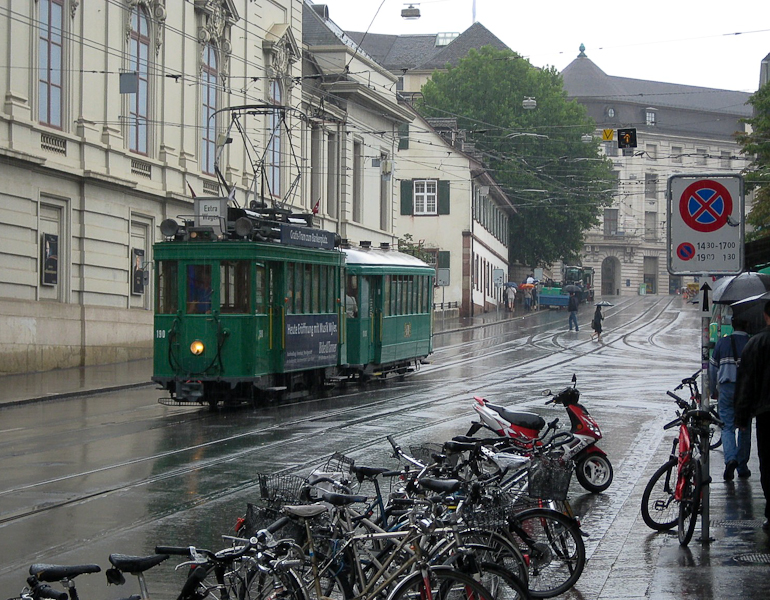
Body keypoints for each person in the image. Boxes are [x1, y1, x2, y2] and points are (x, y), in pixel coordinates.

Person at [735, 302, 770, 531]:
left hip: (766, 414)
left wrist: (742, 417)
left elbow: (745, 384)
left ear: (766, 316)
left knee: (767, 463)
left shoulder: (755, 343)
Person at [710, 318, 750, 480]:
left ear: (732, 326)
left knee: (727, 426)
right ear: (747, 325)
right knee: (744, 427)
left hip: (726, 388)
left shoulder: (722, 343)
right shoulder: (750, 343)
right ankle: (742, 467)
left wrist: (713, 391)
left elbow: (712, 370)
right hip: (746, 391)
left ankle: (730, 459)